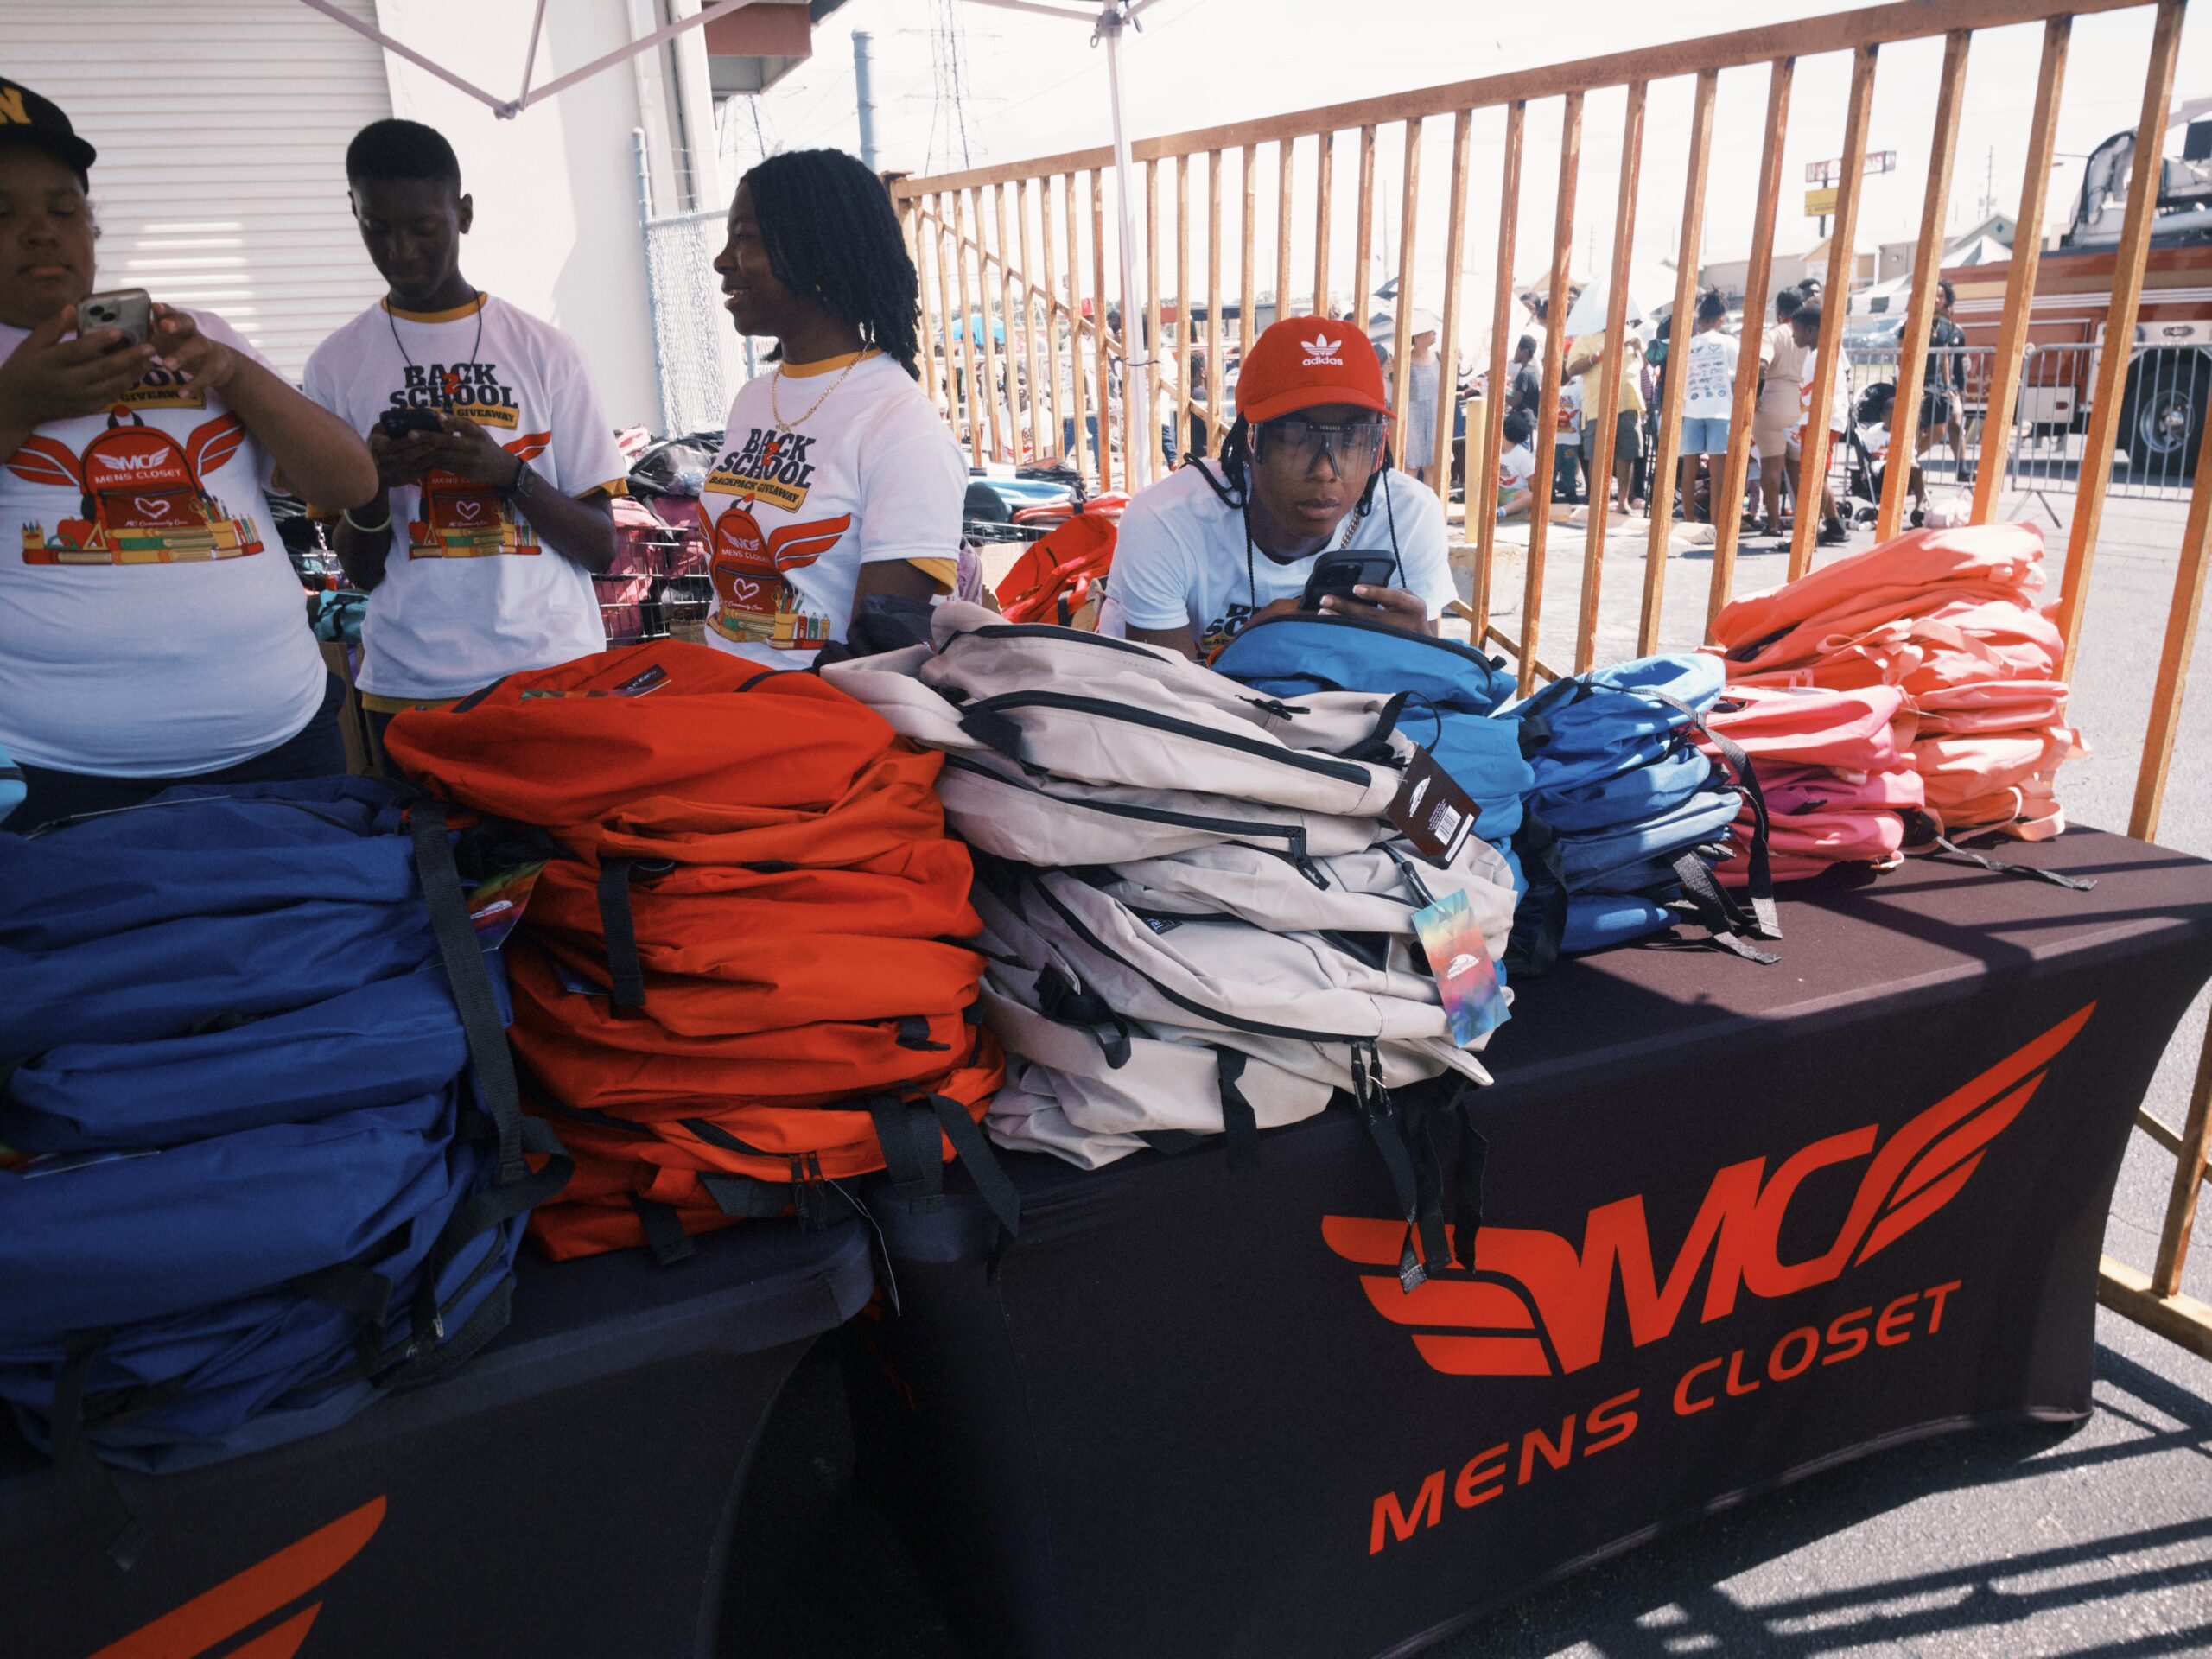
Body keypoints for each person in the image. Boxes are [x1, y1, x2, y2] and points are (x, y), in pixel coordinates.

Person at [0, 79, 378, 832]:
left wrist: (235, 374)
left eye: (64, 208)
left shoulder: (197, 335)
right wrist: (15, 404)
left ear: (94, 227)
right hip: (64, 780)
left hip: (283, 750)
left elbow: (351, 481)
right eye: (1, 212)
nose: (41, 231)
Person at [308, 119, 625, 753]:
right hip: (410, 688)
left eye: (423, 228)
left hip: (551, 676)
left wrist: (507, 473)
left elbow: (601, 548)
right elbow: (362, 571)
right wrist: (374, 486)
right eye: (377, 228)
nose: (400, 251)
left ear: (464, 213)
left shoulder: (545, 351)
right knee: (428, 854)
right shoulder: (335, 364)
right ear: (354, 213)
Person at [701, 149, 966, 667]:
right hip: (726, 702)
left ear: (816, 251)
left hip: (814, 724)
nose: (722, 260)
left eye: (746, 237)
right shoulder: (752, 400)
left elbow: (879, 651)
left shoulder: (901, 427)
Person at [1102, 316, 1456, 663]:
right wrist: (1253, 646)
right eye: (1294, 437)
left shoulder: (1410, 514)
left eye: (1353, 439)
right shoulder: (1165, 521)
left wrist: (1421, 649)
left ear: (1381, 446)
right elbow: (1165, 701)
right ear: (1246, 442)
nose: (1324, 472)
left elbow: (1427, 696)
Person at [1562, 315, 1646, 514]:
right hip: (1598, 404)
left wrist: (1638, 349)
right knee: (1597, 455)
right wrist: (1598, 355)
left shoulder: (1630, 333)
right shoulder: (1586, 338)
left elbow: (1642, 364)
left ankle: (1622, 501)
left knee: (1627, 453)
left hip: (1628, 401)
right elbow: (1571, 369)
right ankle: (1599, 501)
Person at [1675, 288, 1739, 523]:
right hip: (1721, 410)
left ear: (1700, 319)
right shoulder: (1729, 343)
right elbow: (1738, 376)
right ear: (1721, 319)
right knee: (1717, 469)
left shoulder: (1689, 345)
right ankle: (1716, 522)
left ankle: (1689, 519)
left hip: (1691, 409)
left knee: (1689, 466)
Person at [1791, 300, 1852, 546]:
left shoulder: (1817, 355)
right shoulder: (1826, 351)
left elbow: (1811, 392)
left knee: (1813, 477)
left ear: (1810, 331)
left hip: (1820, 421)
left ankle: (1808, 536)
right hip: (1826, 420)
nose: (1793, 335)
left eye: (1795, 330)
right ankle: (1835, 525)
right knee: (1819, 476)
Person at [1753, 288, 1806, 536]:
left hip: (1774, 399)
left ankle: (1773, 523)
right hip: (1800, 402)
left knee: (1771, 467)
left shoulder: (1774, 335)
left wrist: (1754, 392)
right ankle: (1801, 521)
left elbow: (1762, 364)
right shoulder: (1809, 334)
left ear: (1779, 311)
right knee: (1797, 468)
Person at [1920, 276, 1969, 481]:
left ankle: (1962, 468)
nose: (1939, 300)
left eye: (1942, 296)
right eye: (1935, 295)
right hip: (1924, 384)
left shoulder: (1954, 330)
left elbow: (1952, 360)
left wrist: (1958, 386)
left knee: (1956, 424)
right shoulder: (1919, 322)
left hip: (1947, 386)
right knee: (1929, 430)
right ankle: (1905, 461)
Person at [1403, 317, 1441, 490]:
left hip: (1435, 415)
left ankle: (1433, 508)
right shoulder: (1404, 359)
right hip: (1413, 418)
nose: (1435, 332)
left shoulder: (1440, 356)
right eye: (1429, 329)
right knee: (1410, 468)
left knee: (1433, 467)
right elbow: (1393, 393)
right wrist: (1387, 375)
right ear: (1418, 335)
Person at [1495, 406, 1538, 519]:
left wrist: (1533, 507)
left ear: (1503, 433)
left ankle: (1501, 512)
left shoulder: (1522, 455)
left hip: (1513, 494)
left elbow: (1533, 483)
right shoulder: (1495, 450)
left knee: (1533, 497)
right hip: (1496, 491)